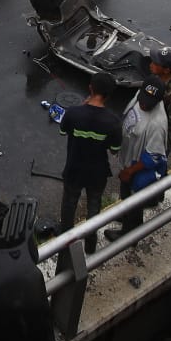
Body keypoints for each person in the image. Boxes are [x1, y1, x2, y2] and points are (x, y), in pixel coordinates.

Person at [58, 71, 123, 255]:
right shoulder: (113, 122)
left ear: (90, 88)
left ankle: (66, 243)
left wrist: (82, 107)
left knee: (69, 204)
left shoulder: (73, 113)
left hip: (74, 169)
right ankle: (90, 245)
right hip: (97, 173)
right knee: (94, 205)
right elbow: (114, 149)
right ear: (109, 95)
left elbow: (63, 132)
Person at [104, 80, 169, 242]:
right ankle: (127, 216)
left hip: (137, 168)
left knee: (134, 199)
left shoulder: (157, 124)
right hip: (127, 159)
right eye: (143, 99)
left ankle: (130, 235)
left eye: (149, 103)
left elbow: (154, 155)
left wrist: (129, 171)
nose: (144, 105)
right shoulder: (139, 98)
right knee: (126, 195)